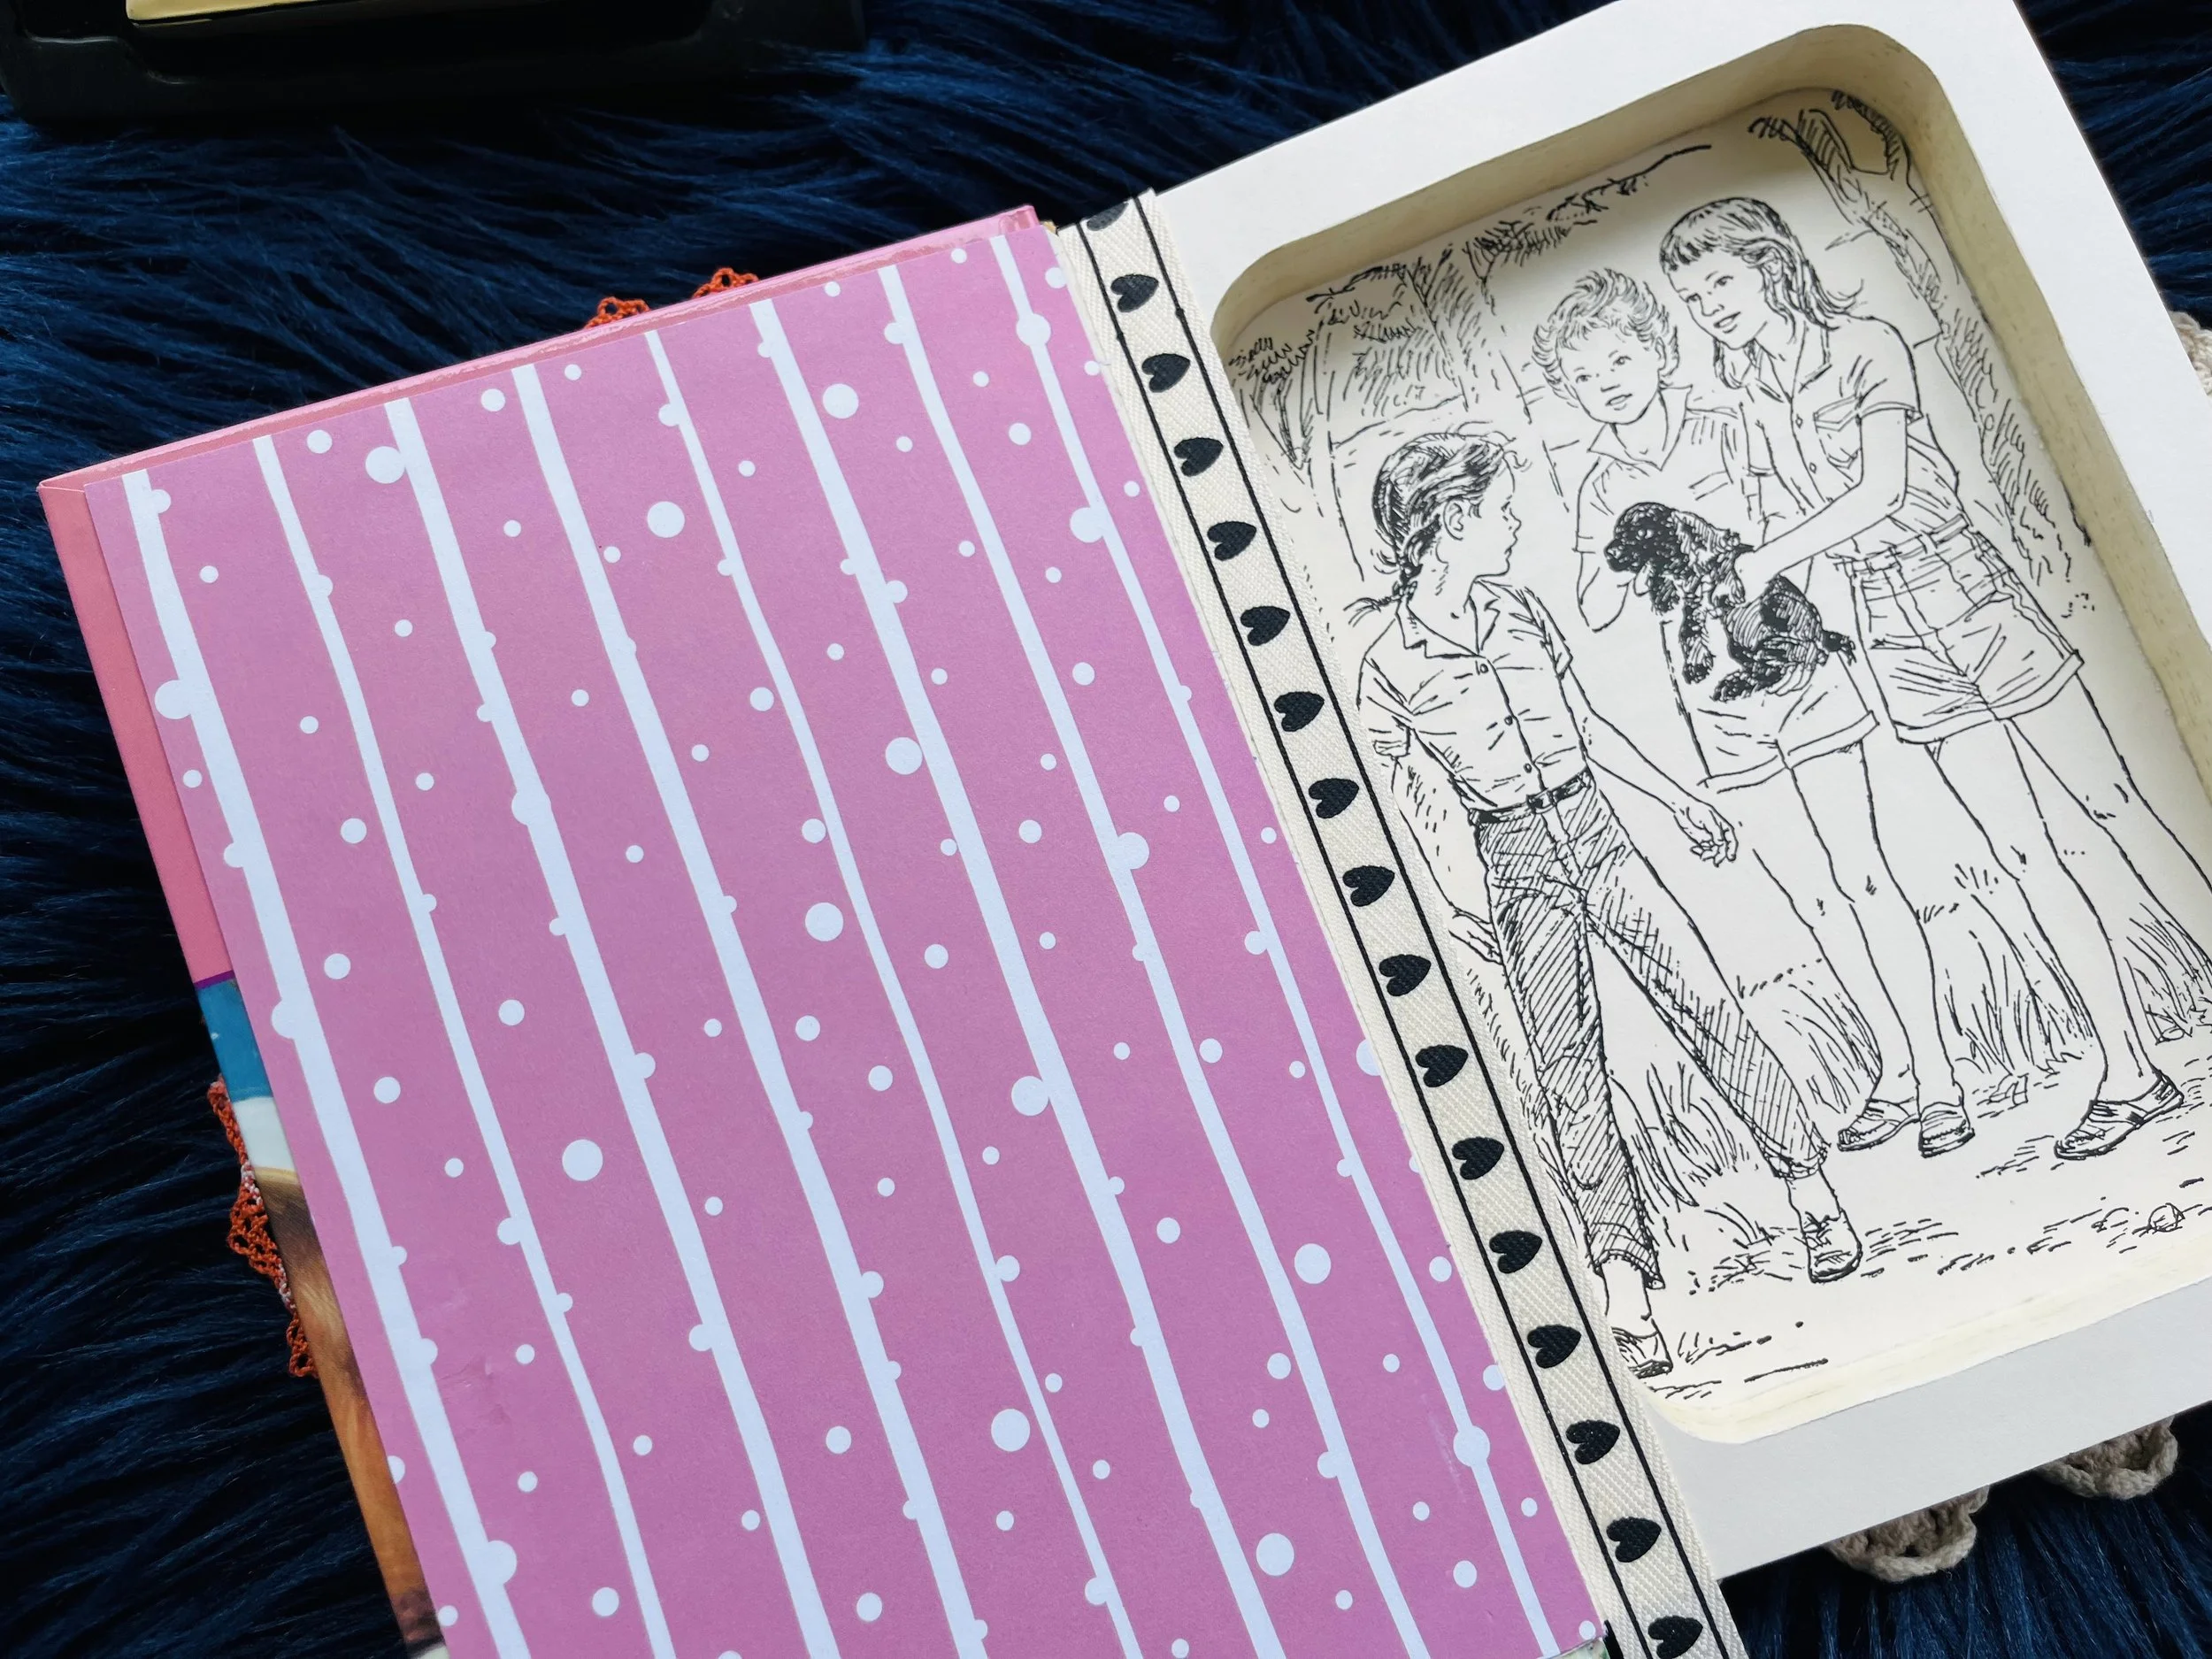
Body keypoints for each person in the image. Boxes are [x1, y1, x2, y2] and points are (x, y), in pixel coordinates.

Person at [1660, 196, 2195, 1159]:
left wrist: (1767, 559)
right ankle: (2130, 1074)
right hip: (1884, 621)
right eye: (1693, 298)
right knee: (2022, 853)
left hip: (1966, 587)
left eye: (1721, 283)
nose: (1711, 308)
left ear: (1770, 265)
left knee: (2111, 802)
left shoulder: (1864, 343)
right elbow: (1792, 515)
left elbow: (1884, 489)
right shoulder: (1745, 393)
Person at [1355, 426, 1861, 1380]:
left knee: (1705, 1002)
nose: (1512, 526)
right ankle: (1626, 1286)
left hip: (1594, 828)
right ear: (1452, 520)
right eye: (1497, 511)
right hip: (1512, 858)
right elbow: (1399, 796)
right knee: (1570, 1072)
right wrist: (1453, 895)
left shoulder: (1519, 610)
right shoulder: (1387, 665)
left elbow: (1586, 726)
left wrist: (1677, 802)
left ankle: (1813, 1195)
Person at [1533, 269, 1969, 1156]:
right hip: (1717, 708)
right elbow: (1594, 607)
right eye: (1583, 376)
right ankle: (1893, 1074)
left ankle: (1939, 1082)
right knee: (1812, 896)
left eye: (1618, 360)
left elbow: (1798, 520)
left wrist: (1733, 557)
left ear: (1657, 354)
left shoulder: (1725, 421)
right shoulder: (1597, 483)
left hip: (1796, 668)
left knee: (1863, 876)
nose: (1606, 383)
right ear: (1568, 393)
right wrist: (1624, 550)